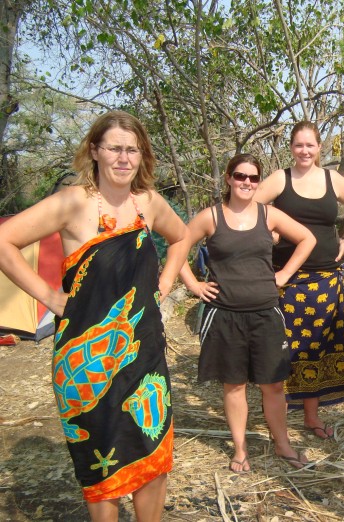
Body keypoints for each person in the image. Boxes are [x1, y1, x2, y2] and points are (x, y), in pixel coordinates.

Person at [0, 111, 189, 521]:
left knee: (152, 458)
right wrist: (50, 296)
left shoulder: (150, 204)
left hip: (144, 356)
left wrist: (166, 280)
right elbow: (4, 241)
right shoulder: (72, 202)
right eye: (115, 148)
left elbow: (181, 236)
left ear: (142, 156)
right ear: (95, 151)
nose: (124, 158)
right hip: (85, 366)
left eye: (132, 150)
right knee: (101, 468)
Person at [179, 153, 316, 471]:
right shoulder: (211, 217)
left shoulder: (269, 215)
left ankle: (282, 444)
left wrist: (284, 275)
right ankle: (240, 450)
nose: (247, 183)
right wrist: (194, 285)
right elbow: (178, 244)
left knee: (273, 385)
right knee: (234, 384)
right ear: (228, 178)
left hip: (266, 313)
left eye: (253, 178)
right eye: (240, 176)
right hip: (224, 314)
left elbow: (307, 239)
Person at [254, 121, 344, 439]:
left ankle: (311, 418)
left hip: (326, 280)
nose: (304, 151)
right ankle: (278, 423)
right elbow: (249, 208)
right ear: (291, 148)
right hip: (287, 280)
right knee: (286, 349)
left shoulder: (333, 179)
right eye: (298, 145)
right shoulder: (281, 178)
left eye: (310, 145)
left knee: (318, 349)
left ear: (320, 148)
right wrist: (272, 230)